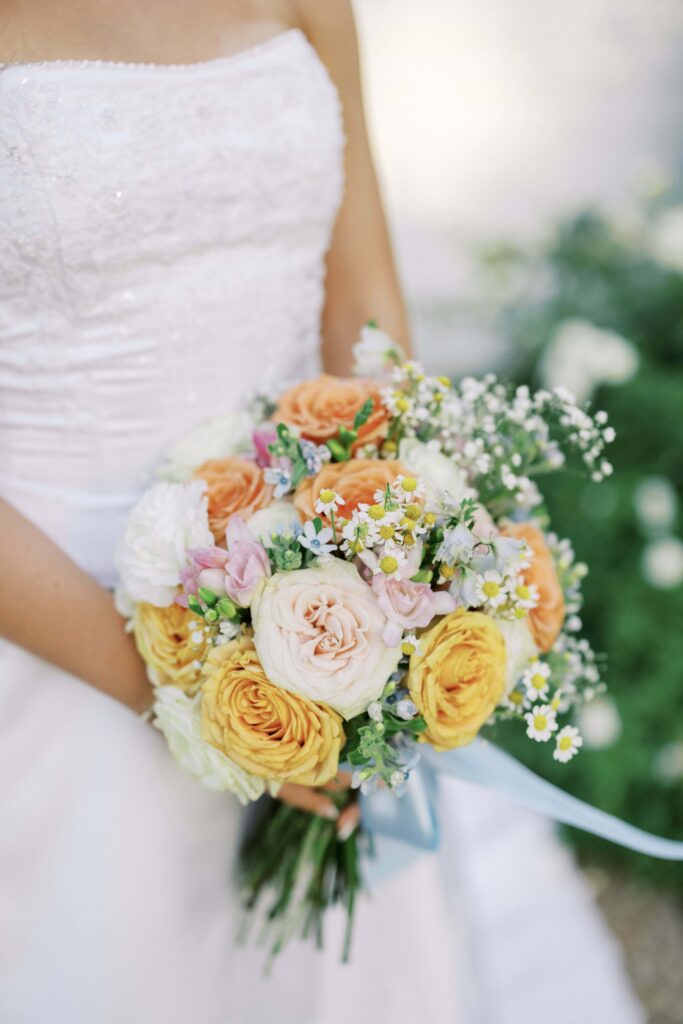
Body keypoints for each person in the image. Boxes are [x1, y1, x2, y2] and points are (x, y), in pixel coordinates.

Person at [0, 3, 645, 1022]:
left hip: (322, 590)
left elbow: (365, 309)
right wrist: (200, 695)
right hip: (45, 627)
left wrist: (402, 573)